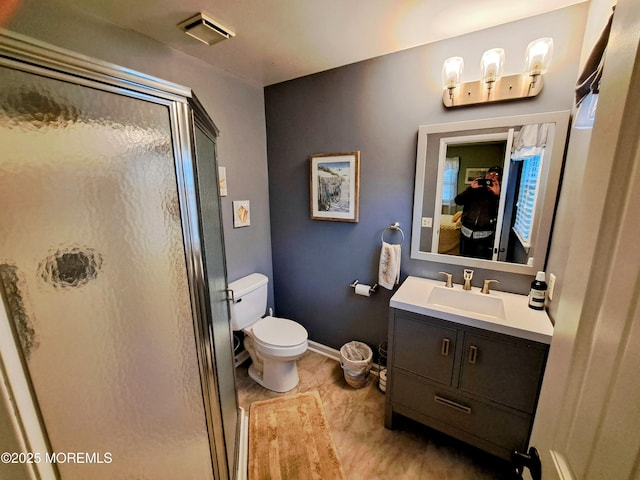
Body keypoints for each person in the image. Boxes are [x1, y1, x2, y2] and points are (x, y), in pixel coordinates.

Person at [454, 166, 502, 260]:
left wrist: (496, 195)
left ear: (499, 178)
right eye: (491, 173)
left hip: (484, 236)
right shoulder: (475, 190)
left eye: (496, 174)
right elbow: (458, 201)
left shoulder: (500, 193)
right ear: (487, 175)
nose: (492, 176)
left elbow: (499, 212)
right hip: (466, 232)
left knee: (479, 262)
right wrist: (471, 189)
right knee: (463, 259)